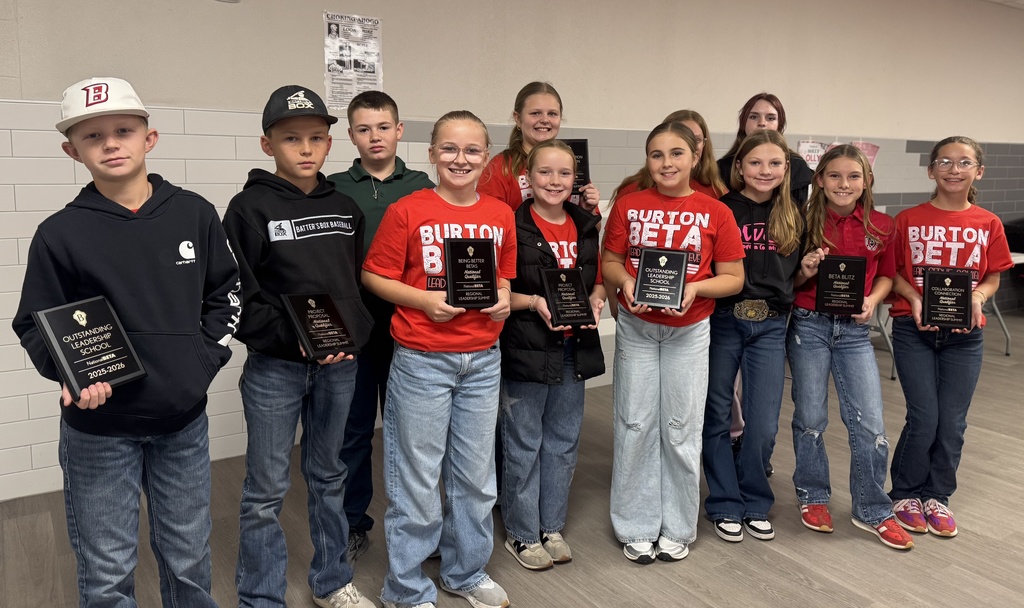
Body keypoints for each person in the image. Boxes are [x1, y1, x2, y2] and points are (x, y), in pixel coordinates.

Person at [12, 77, 241, 607]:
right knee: (107, 569)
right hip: (99, 431)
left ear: (149, 138)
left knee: (188, 559)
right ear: (73, 151)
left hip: (182, 423)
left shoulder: (194, 213)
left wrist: (198, 363)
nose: (111, 143)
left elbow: (226, 293)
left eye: (123, 130)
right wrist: (72, 375)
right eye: (93, 137)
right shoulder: (60, 233)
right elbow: (35, 322)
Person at [223, 85, 374, 608]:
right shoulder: (248, 208)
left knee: (329, 475)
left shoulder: (345, 207)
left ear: (330, 143)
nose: (305, 149)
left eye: (316, 138)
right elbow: (238, 295)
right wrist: (299, 338)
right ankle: (261, 595)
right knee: (265, 489)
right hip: (276, 370)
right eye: (291, 139)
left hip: (339, 367)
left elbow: (353, 285)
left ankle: (332, 581)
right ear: (268, 145)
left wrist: (351, 334)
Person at [363, 111, 516, 608]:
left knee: (475, 477)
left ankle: (465, 573)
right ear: (430, 154)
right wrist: (421, 300)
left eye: (472, 150)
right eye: (449, 148)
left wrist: (504, 296)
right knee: (418, 479)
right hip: (422, 358)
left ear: (485, 158)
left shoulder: (500, 214)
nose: (460, 159)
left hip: (482, 359)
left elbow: (505, 276)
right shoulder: (409, 210)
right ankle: (405, 588)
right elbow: (374, 276)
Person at [603, 121, 744, 563]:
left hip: (689, 331)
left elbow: (734, 279)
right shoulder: (629, 204)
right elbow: (609, 262)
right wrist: (625, 280)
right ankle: (636, 523)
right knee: (635, 423)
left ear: (695, 157)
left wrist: (696, 289)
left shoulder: (715, 211)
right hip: (637, 329)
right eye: (657, 154)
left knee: (682, 428)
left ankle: (679, 525)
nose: (667, 163)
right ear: (647, 160)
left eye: (677, 153)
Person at [787, 145, 914, 550]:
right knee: (810, 417)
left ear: (867, 181)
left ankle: (872, 508)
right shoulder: (800, 222)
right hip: (809, 326)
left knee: (871, 424)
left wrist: (873, 300)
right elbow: (785, 282)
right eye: (836, 176)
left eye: (853, 177)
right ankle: (813, 495)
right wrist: (804, 269)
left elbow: (888, 275)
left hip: (855, 333)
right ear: (819, 179)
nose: (844, 184)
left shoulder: (881, 225)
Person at [888, 136, 1013, 538]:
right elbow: (896, 273)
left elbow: (993, 274)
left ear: (979, 171)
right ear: (930, 170)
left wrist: (978, 295)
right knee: (924, 418)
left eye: (964, 163)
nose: (953, 169)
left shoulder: (988, 223)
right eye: (944, 161)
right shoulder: (907, 219)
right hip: (913, 329)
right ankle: (905, 492)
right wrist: (915, 298)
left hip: (965, 336)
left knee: (953, 422)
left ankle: (937, 495)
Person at [328, 90, 434, 564]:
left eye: (383, 127)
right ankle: (353, 523)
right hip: (353, 329)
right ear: (350, 135)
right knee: (351, 431)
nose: (375, 136)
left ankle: (419, 524)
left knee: (412, 431)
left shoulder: (423, 186)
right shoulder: (333, 188)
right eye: (364, 129)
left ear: (399, 130)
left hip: (410, 326)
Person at [499, 140, 606, 571]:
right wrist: (535, 303)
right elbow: (501, 286)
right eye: (545, 173)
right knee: (523, 443)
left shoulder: (585, 224)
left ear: (574, 178)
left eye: (564, 174)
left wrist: (597, 298)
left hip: (572, 349)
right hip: (527, 347)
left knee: (562, 442)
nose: (555, 181)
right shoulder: (512, 224)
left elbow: (597, 279)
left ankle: (551, 525)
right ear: (528, 177)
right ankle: (523, 533)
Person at [702, 129, 803, 543]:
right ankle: (724, 501)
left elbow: (796, 271)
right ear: (739, 167)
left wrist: (811, 267)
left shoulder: (794, 212)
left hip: (771, 324)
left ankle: (755, 500)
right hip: (724, 319)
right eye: (756, 162)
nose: (765, 170)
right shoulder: (720, 209)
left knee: (761, 422)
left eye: (775, 163)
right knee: (718, 413)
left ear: (786, 168)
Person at [478, 81, 600, 213]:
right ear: (518, 118)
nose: (545, 120)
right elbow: (488, 221)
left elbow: (595, 229)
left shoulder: (569, 163)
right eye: (536, 113)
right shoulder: (501, 167)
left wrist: (588, 209)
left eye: (552, 114)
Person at [717, 92, 813, 205]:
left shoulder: (797, 166)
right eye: (754, 117)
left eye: (770, 118)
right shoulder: (722, 168)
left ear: (780, 124)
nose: (762, 123)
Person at [610, 109, 727, 202]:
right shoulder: (632, 192)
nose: (691, 145)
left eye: (696, 140)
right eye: (681, 138)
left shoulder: (717, 192)